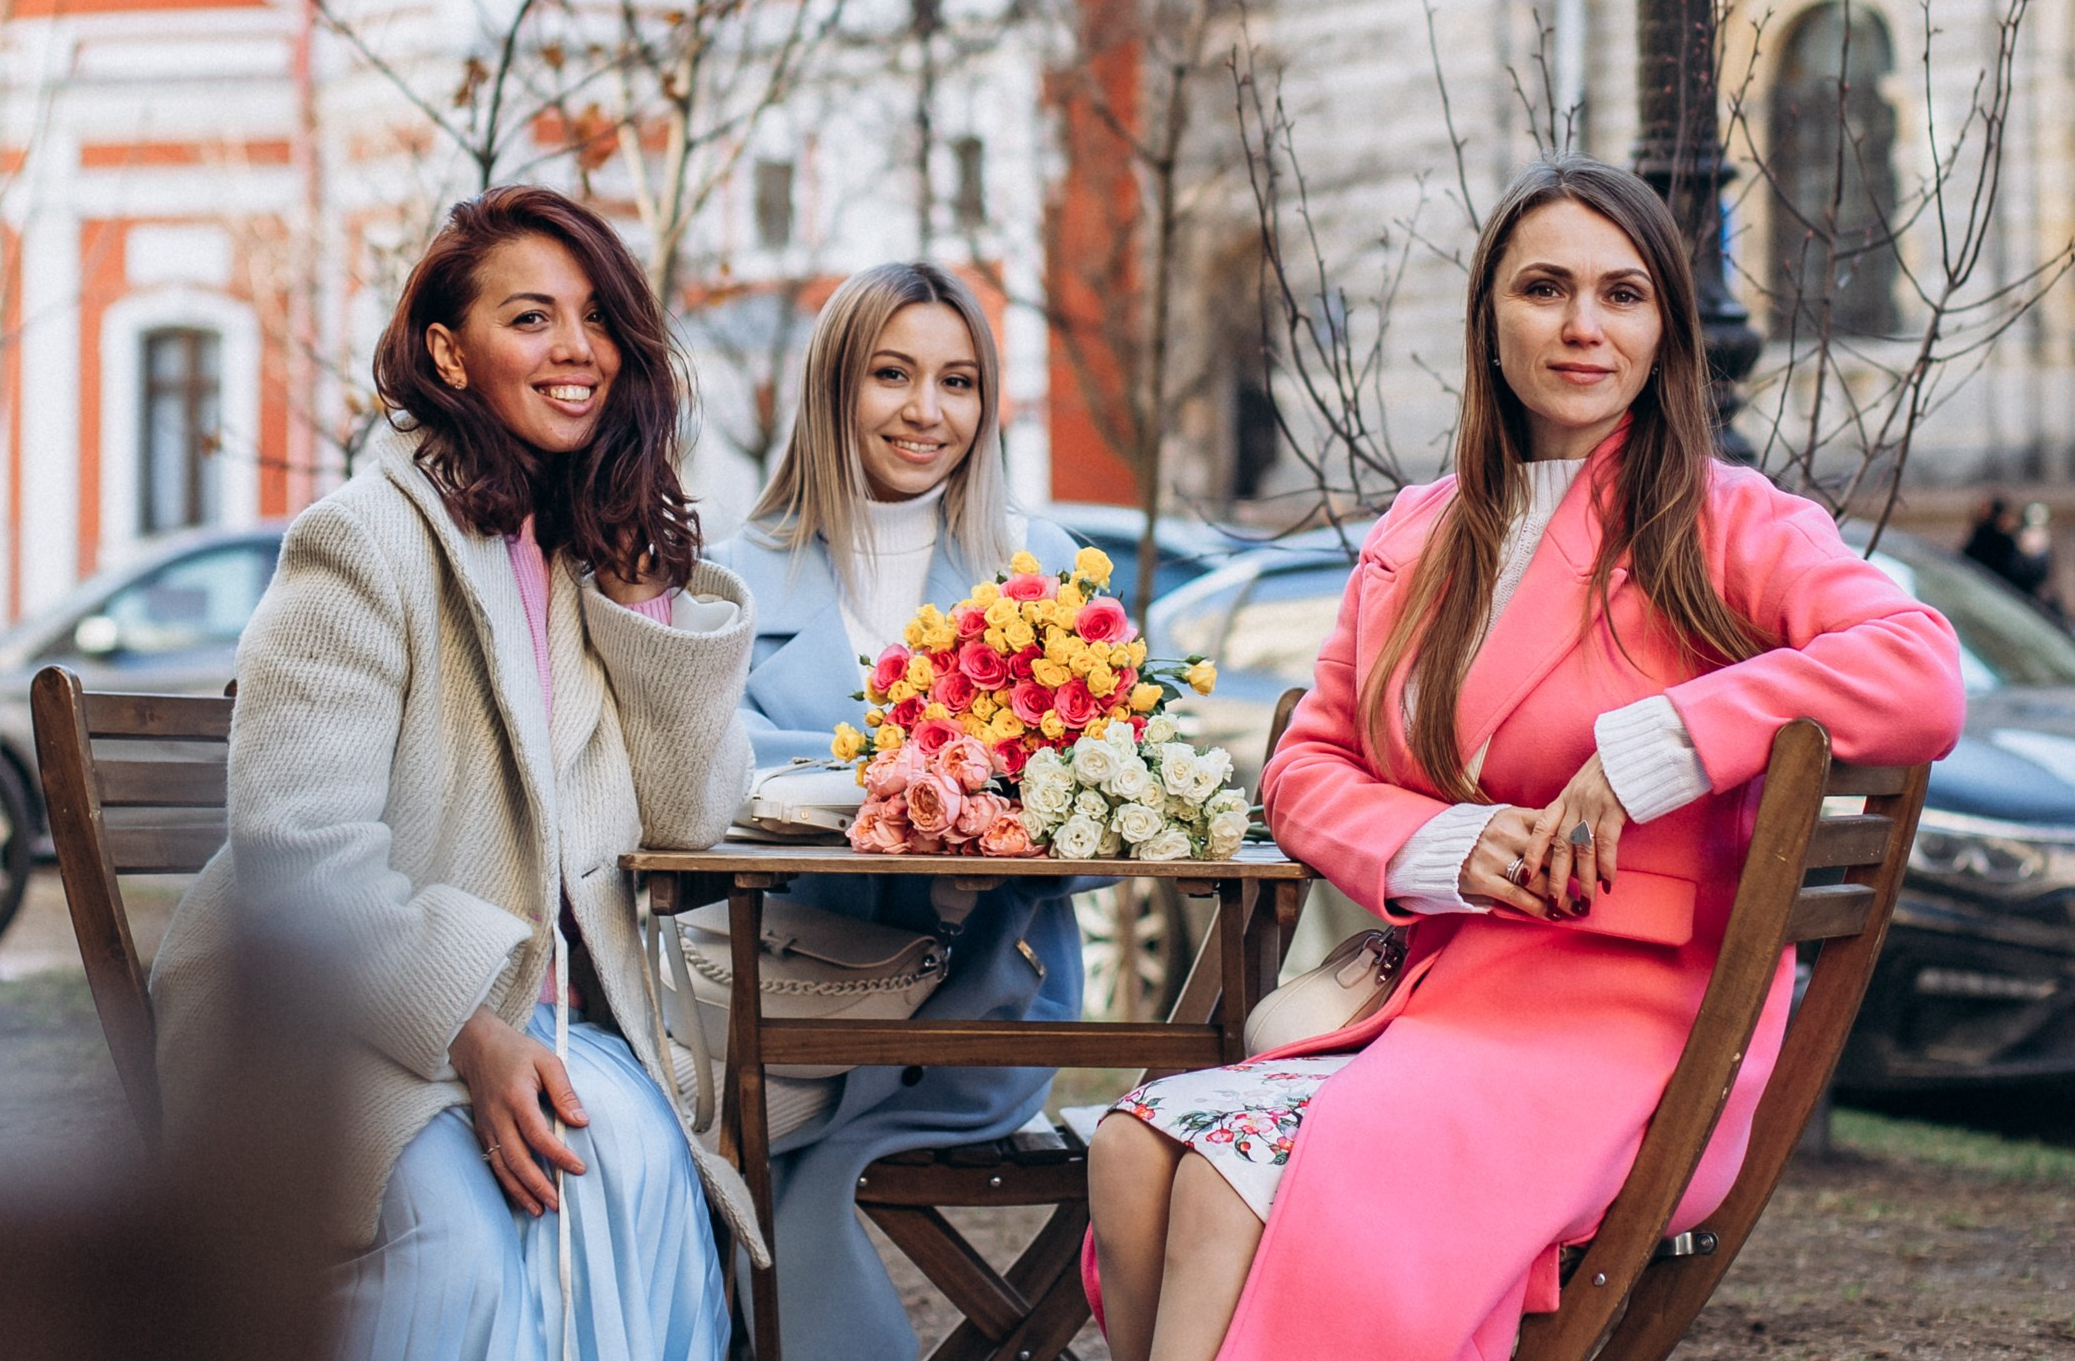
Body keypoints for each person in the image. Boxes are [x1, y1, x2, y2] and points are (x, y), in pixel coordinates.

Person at [1084, 155, 1966, 1361]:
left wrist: (1659, 748)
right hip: (1437, 991)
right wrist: (1437, 843)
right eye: (1546, 287)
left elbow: (1919, 665)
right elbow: (1306, 766)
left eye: (1623, 293)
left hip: (1623, 1024)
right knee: (1132, 1150)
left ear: (1667, 328)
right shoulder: (1419, 532)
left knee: (1232, 1174)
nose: (1583, 326)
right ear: (1490, 317)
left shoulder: (1729, 518)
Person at [148, 185, 762, 1360]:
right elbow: (296, 852)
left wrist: (645, 605)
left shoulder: (590, 544)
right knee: (471, 1235)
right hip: (339, 1024)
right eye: (531, 319)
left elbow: (695, 819)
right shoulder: (361, 542)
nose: (577, 350)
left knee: (634, 1169)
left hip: (559, 1019)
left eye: (596, 319)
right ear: (448, 349)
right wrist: (474, 1035)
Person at [708, 261, 1087, 1361]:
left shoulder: (1042, 569)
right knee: (685, 1148)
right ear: (835, 387)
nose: (928, 411)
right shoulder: (731, 581)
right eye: (893, 374)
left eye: (959, 381)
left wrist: (1002, 837)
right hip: (785, 1011)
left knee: (742, 1168)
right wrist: (894, 789)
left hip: (980, 1007)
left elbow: (1116, 804)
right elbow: (705, 774)